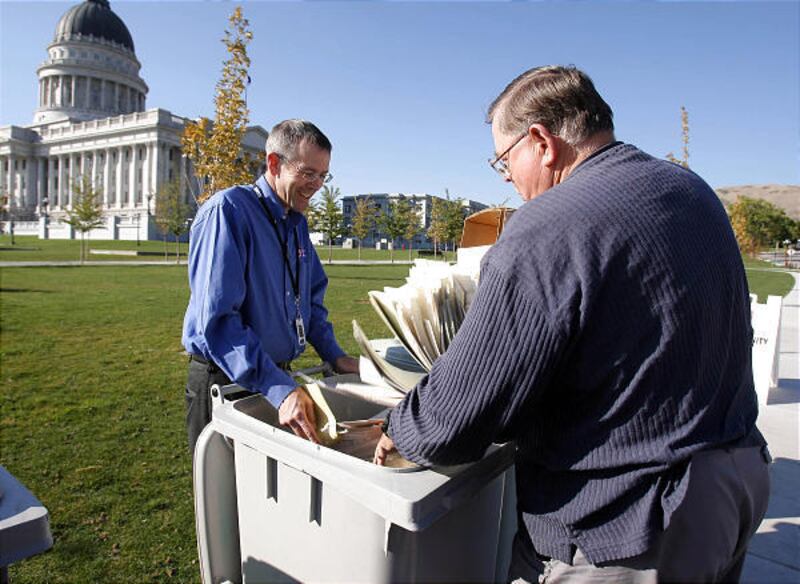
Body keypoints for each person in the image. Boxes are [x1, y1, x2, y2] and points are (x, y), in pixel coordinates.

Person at [374, 66, 770, 583]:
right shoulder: (689, 189)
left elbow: (454, 419)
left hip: (634, 521)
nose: (509, 181)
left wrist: (398, 428)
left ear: (540, 141)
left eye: (503, 161)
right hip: (733, 484)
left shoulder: (548, 225)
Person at [182, 119, 358, 455]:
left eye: (323, 176)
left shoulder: (296, 224)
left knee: (266, 497)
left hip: (272, 378)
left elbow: (310, 303)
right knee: (228, 499)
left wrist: (336, 356)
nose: (317, 185)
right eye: (308, 173)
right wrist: (279, 387)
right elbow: (219, 322)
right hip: (226, 381)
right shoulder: (229, 211)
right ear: (274, 164)